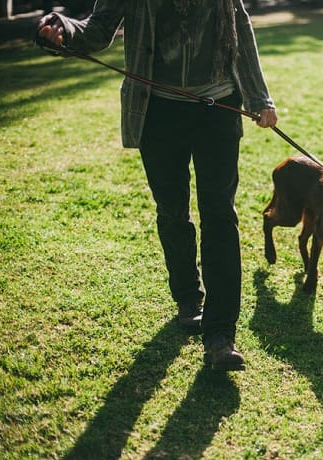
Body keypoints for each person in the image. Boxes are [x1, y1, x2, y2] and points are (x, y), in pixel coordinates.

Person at [37, 0, 278, 371]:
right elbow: (98, 30)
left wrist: (259, 97)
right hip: (158, 113)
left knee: (219, 214)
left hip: (218, 107)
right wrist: (62, 30)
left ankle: (220, 335)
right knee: (172, 211)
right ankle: (187, 300)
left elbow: (240, 28)